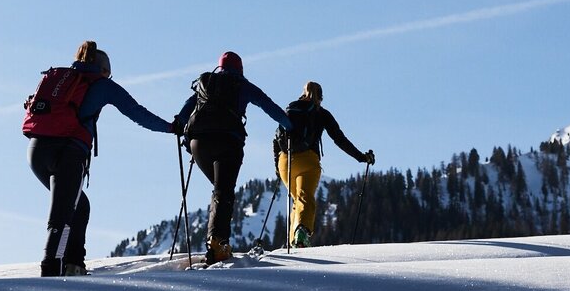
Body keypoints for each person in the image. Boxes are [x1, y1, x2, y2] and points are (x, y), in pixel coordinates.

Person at [24, 40, 175, 277]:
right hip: (68, 152)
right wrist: (170, 127)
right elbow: (137, 112)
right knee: (62, 217)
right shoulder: (102, 85)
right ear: (104, 70)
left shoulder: (61, 80)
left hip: (36, 150)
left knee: (79, 207)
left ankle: (74, 264)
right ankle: (51, 272)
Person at [175, 51, 291, 265]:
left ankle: (216, 241)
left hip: (198, 143)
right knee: (223, 190)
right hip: (228, 140)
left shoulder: (206, 83)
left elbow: (187, 108)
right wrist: (289, 125)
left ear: (219, 67)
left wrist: (177, 123)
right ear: (240, 69)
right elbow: (267, 104)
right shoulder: (241, 85)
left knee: (220, 189)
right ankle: (218, 244)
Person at [275, 81, 375, 248]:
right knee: (305, 197)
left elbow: (275, 139)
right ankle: (301, 233)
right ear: (320, 97)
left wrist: (277, 168)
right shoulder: (322, 114)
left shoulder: (290, 110)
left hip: (285, 161)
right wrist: (361, 157)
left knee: (296, 200)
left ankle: (293, 239)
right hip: (308, 160)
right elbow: (339, 139)